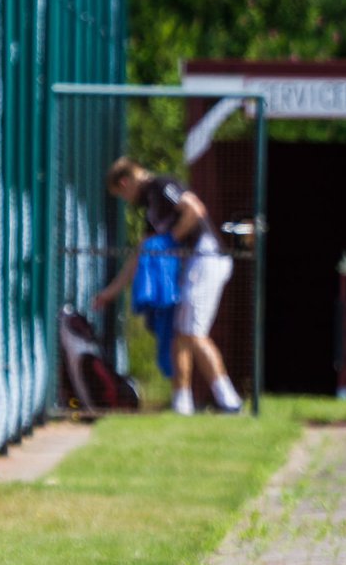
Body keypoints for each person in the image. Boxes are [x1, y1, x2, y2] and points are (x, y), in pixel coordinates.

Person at [92, 157, 243, 415]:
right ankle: (182, 401)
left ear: (126, 182)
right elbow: (142, 251)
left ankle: (228, 399)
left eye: (121, 194)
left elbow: (194, 209)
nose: (126, 199)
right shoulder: (150, 206)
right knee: (181, 333)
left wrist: (169, 241)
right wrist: (111, 292)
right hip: (193, 266)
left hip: (205, 259)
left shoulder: (162, 185)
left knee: (192, 333)